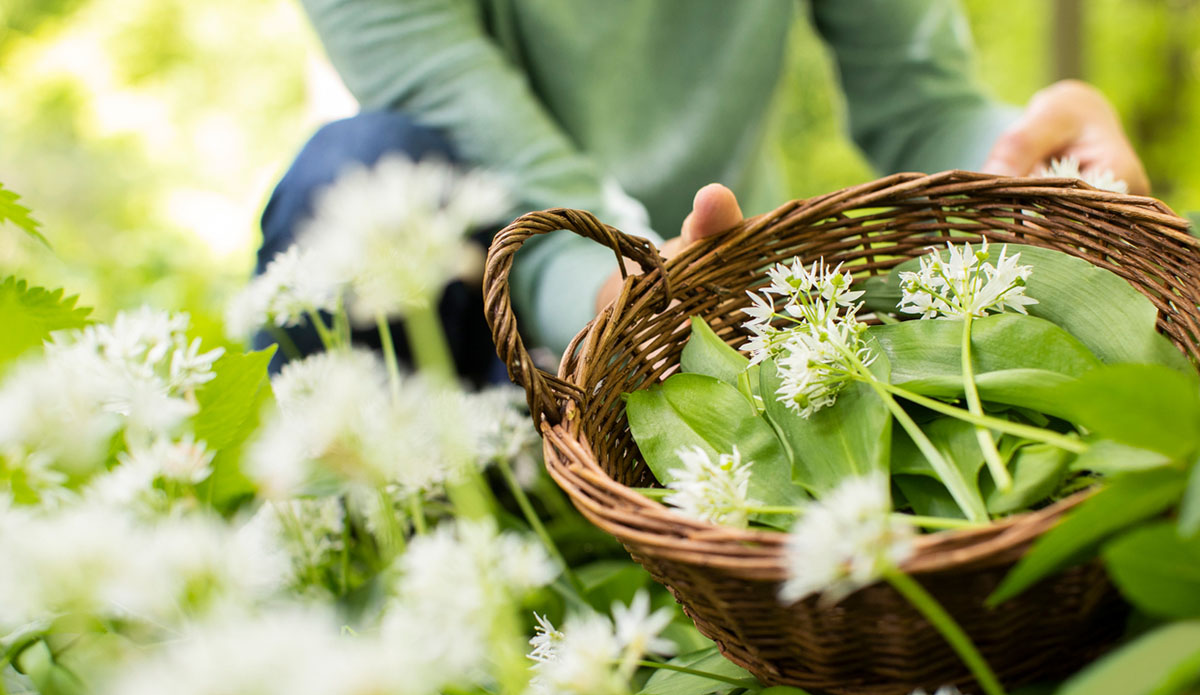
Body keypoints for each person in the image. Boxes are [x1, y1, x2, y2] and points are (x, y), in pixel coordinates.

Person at [253, 0, 1148, 376]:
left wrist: (1031, 164)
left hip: (725, 297)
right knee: (345, 173)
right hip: (483, 317)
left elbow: (923, 108)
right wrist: (633, 297)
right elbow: (517, 179)